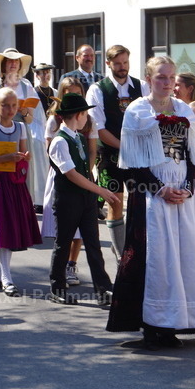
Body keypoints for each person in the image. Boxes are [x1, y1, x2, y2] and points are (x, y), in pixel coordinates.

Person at [106, 56, 195, 348]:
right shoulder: (137, 111)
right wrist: (160, 189)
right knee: (156, 258)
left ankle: (176, 321)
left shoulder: (185, 110)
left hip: (182, 196)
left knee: (182, 255)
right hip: (150, 196)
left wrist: (187, 188)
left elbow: (192, 156)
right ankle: (152, 323)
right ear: (149, 80)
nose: (167, 83)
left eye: (171, 77)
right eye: (161, 77)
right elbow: (133, 161)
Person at [46, 93, 119, 305]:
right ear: (78, 115)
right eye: (85, 113)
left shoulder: (78, 136)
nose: (87, 117)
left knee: (93, 244)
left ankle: (104, 289)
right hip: (68, 199)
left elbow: (84, 168)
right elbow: (71, 174)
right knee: (63, 243)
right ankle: (57, 287)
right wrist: (100, 190)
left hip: (85, 199)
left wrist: (93, 192)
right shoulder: (60, 141)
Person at [0, 88, 42, 296]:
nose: (10, 109)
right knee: (2, 228)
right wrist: (7, 158)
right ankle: (6, 276)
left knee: (11, 227)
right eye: (5, 105)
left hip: (14, 182)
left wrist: (25, 157)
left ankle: (4, 273)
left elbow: (22, 156)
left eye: (14, 105)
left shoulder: (21, 127)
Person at [86, 44, 145, 260]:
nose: (123, 67)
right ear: (108, 63)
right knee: (115, 201)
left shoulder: (141, 87)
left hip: (137, 155)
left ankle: (126, 244)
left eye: (126, 63)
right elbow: (99, 129)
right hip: (109, 155)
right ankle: (122, 256)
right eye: (118, 63)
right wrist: (125, 147)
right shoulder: (98, 89)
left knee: (139, 200)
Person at [43, 76, 97, 286]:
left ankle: (72, 264)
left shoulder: (88, 120)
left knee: (82, 227)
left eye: (77, 93)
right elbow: (52, 151)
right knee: (65, 227)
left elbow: (91, 151)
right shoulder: (55, 121)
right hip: (63, 174)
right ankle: (60, 270)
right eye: (68, 93)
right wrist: (73, 172)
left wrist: (86, 172)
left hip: (84, 174)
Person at [0, 48, 50, 210]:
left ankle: (22, 206)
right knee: (0, 170)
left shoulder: (26, 86)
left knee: (21, 170)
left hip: (20, 131)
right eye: (10, 61)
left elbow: (30, 118)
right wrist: (1, 107)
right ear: (4, 64)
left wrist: (23, 110)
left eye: (16, 61)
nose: (13, 64)